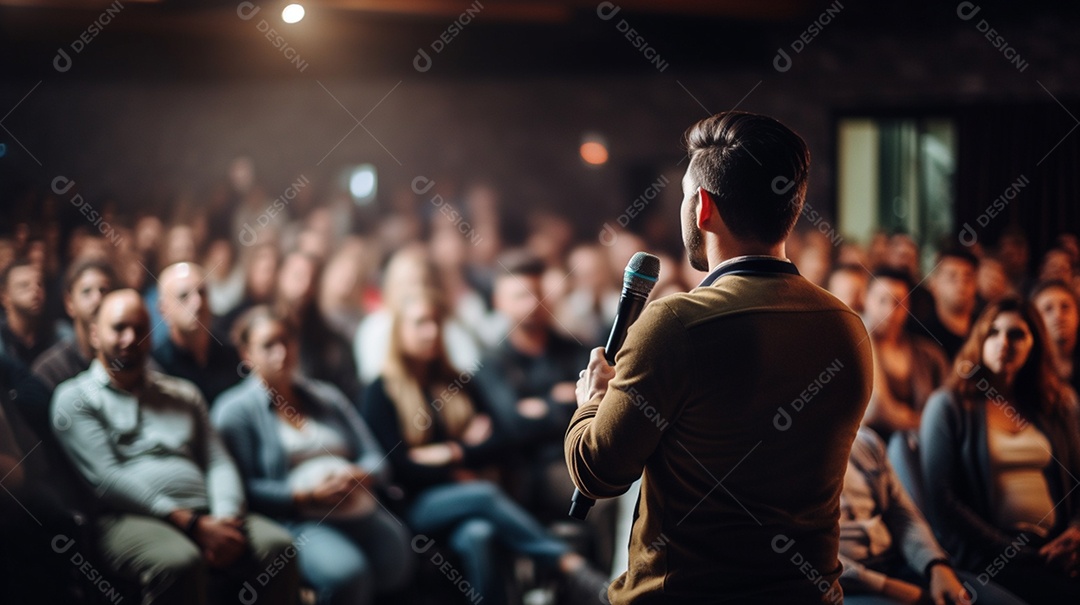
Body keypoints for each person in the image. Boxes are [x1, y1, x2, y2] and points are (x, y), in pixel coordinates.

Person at [566, 111, 874, 604]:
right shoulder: (847, 327)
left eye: (686, 195)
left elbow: (599, 471)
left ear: (702, 207)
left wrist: (591, 400)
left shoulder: (675, 323)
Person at [362, 287, 610, 605]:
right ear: (400, 331)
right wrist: (460, 464)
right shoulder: (380, 391)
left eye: (437, 323)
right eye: (421, 324)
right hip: (414, 505)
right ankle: (568, 565)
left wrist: (451, 453)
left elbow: (502, 441)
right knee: (484, 495)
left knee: (478, 535)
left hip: (467, 499)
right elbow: (397, 468)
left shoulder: (457, 381)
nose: (431, 332)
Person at [50, 289, 299, 604]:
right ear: (96, 334)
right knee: (180, 562)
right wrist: (191, 524)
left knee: (278, 546)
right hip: (128, 517)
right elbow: (107, 478)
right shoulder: (75, 398)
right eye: (119, 328)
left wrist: (224, 519)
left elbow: (218, 461)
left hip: (208, 511)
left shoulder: (182, 394)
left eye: (140, 329)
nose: (130, 338)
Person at [213, 306, 413, 605]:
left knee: (399, 561)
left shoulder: (326, 397)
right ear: (247, 355)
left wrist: (360, 475)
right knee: (347, 574)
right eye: (268, 345)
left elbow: (375, 455)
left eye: (286, 341)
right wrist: (305, 496)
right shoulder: (235, 411)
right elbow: (243, 486)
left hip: (356, 504)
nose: (280, 352)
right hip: (300, 518)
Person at [920, 297, 1080, 602]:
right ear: (979, 338)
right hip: (990, 556)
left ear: (1036, 343)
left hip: (1057, 546)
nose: (1003, 342)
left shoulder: (1056, 404)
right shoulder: (949, 405)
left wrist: (1076, 532)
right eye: (993, 332)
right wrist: (1018, 552)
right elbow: (942, 503)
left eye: (1016, 334)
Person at [840, 427, 1020, 604]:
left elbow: (904, 516)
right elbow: (815, 561)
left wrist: (936, 566)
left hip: (901, 563)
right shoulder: (811, 456)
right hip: (847, 585)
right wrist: (890, 588)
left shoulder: (865, 441)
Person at [861, 269, 950, 442]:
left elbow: (947, 407)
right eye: (882, 300)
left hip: (924, 442)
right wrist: (921, 421)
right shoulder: (855, 347)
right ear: (866, 298)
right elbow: (875, 410)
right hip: (870, 442)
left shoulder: (929, 354)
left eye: (898, 302)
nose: (889, 310)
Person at [152, 262, 243, 406]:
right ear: (164, 310)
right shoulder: (155, 367)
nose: (198, 302)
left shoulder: (234, 355)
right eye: (184, 296)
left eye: (202, 292)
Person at [31, 257, 115, 390]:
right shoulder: (51, 369)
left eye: (103, 290)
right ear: (69, 303)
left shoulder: (126, 359)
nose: (97, 299)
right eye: (87, 291)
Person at [914, 247, 980, 361]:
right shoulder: (920, 335)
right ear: (933, 284)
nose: (961, 284)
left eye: (967, 278)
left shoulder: (985, 329)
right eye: (952, 277)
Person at [0, 259, 64, 368]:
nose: (35, 290)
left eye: (39, 284)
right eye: (24, 285)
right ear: (4, 297)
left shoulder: (62, 335)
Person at [1031, 279, 1080, 395]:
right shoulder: (1030, 371)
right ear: (1034, 319)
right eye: (1048, 309)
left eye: (1065, 307)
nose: (1058, 315)